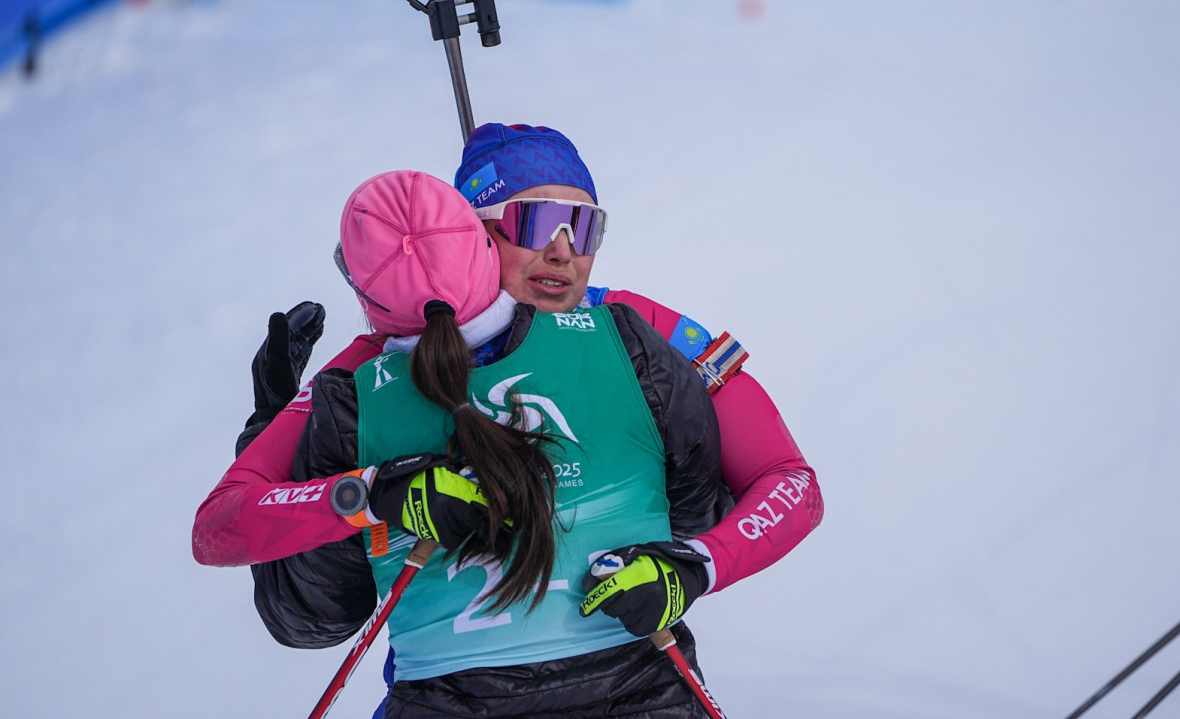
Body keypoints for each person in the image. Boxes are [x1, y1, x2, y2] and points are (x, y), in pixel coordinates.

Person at [210, 124, 823, 707]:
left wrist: (699, 563)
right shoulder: (381, 363)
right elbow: (302, 614)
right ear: (469, 235)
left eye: (586, 228)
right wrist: (281, 434)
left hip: (630, 680)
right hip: (453, 694)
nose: (564, 250)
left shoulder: (631, 334)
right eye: (537, 221)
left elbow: (789, 482)